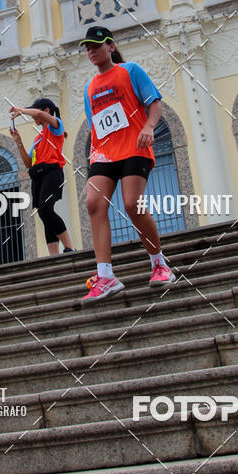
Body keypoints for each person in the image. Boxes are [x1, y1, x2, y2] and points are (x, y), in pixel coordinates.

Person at [79, 25, 176, 303]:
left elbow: (154, 103)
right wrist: (93, 161)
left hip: (135, 148)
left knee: (132, 205)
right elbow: (95, 126)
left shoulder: (130, 71)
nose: (92, 51)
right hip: (104, 153)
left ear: (110, 46)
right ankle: (106, 276)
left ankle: (159, 264)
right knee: (93, 204)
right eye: (88, 48)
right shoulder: (89, 88)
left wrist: (149, 127)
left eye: (96, 45)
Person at [10, 98, 75, 256]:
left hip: (52, 172)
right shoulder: (38, 138)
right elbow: (28, 163)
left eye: (35, 111)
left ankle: (69, 247)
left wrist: (21, 110)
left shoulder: (56, 126)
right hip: (38, 175)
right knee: (43, 212)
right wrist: (19, 142)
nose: (33, 116)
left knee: (45, 208)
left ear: (46, 110)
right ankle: (53, 254)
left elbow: (38, 114)